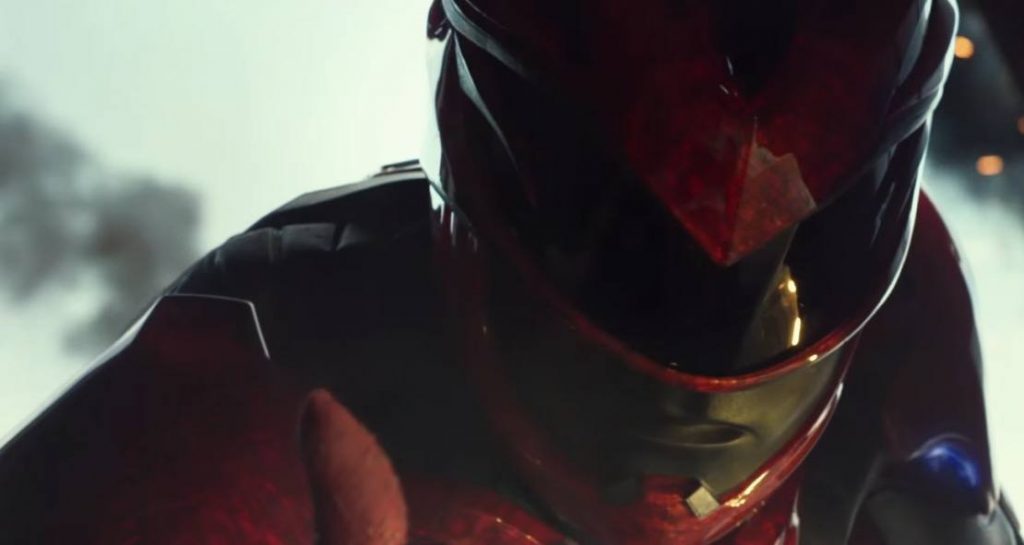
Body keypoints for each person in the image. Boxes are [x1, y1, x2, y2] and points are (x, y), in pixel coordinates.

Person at [0, 0, 1020, 543]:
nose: (694, 363)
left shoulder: (908, 349)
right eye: (634, 248)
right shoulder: (243, 385)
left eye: (776, 257)